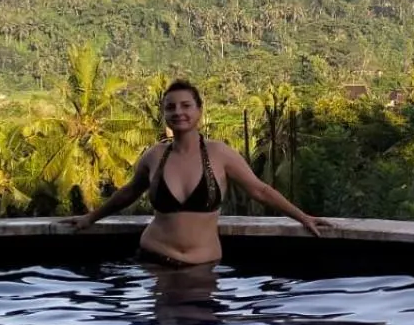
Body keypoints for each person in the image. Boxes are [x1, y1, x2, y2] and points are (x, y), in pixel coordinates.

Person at [64, 79, 326, 264]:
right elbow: (129, 192)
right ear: (164, 113)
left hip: (203, 268)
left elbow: (260, 190)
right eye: (170, 107)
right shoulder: (155, 155)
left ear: (199, 110)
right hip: (155, 261)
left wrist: (303, 218)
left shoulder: (220, 153)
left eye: (186, 105)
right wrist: (91, 218)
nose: (178, 112)